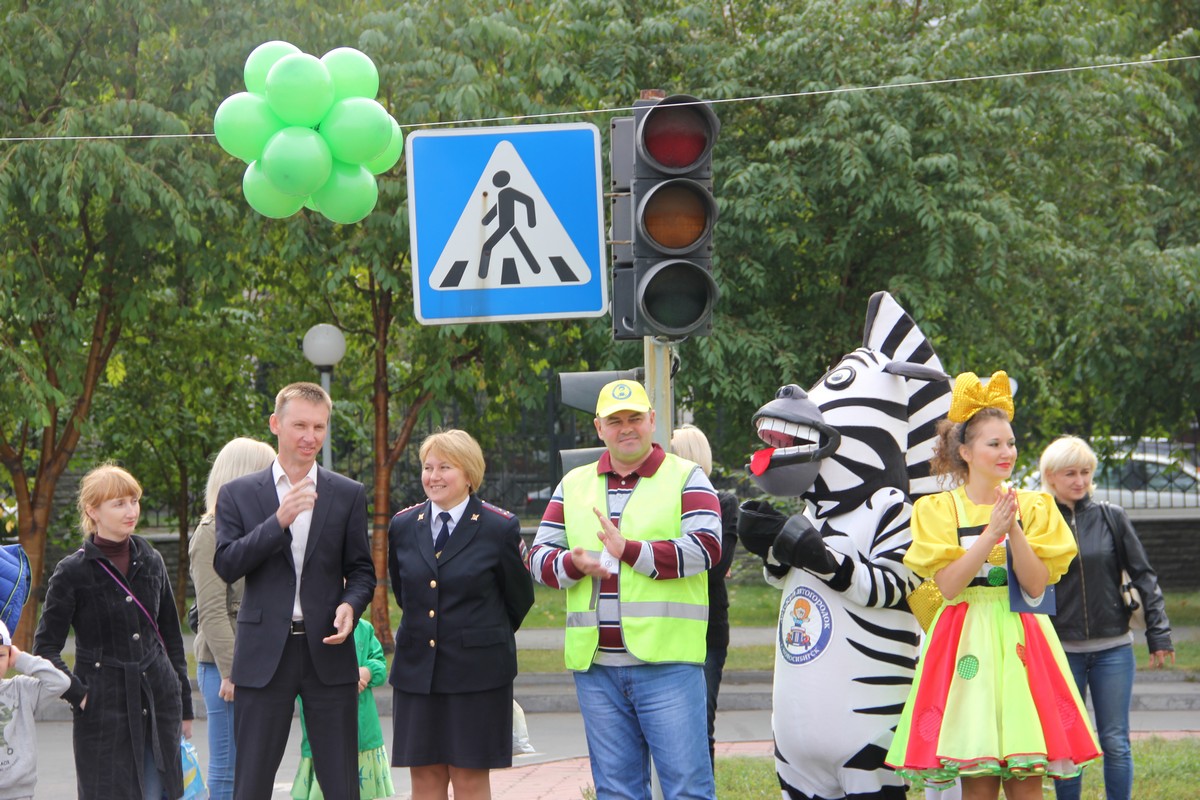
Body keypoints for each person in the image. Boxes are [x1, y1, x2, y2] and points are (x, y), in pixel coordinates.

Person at [884, 372, 1100, 800]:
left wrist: (1013, 527)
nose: (1007, 452)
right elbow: (946, 586)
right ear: (964, 451)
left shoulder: (1035, 507)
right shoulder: (938, 509)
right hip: (965, 641)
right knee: (977, 783)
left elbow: (1036, 585)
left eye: (1011, 443)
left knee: (1027, 781)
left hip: (1023, 638)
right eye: (994, 444)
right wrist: (989, 534)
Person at [528, 379, 722, 800]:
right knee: (616, 792)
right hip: (597, 669)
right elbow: (537, 558)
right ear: (599, 428)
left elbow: (707, 548)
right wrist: (570, 565)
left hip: (668, 666)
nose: (626, 428)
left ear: (653, 421)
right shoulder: (573, 484)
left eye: (635, 418)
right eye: (615, 421)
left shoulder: (687, 477)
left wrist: (630, 551)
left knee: (687, 789)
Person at [214, 382, 376, 800]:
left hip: (328, 648)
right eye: (300, 425)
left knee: (341, 782)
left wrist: (350, 606)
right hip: (263, 652)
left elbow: (362, 572)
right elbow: (227, 564)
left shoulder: (346, 493)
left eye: (319, 427)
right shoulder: (239, 494)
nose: (310, 436)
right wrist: (277, 522)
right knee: (251, 782)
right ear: (275, 424)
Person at [388, 429, 534, 800]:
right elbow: (406, 593)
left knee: (469, 779)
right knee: (425, 778)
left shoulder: (498, 527)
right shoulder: (403, 526)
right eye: (427, 467)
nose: (433, 476)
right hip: (419, 674)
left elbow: (518, 599)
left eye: (445, 467)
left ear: (469, 474)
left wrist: (478, 635)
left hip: (478, 675)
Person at [34, 463, 194, 800]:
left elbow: (170, 638)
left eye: (133, 501)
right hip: (104, 711)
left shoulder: (150, 559)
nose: (131, 510)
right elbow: (46, 647)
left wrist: (183, 705)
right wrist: (81, 694)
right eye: (119, 503)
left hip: (158, 700)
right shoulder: (72, 571)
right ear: (93, 510)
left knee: (158, 792)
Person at [1038, 435, 1174, 800]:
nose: (1080, 481)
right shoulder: (1038, 521)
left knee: (1115, 741)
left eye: (1085, 472)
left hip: (1113, 648)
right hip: (1061, 650)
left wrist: (1159, 634)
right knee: (1066, 746)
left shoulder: (1110, 517)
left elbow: (1144, 575)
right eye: (1070, 473)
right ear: (1050, 476)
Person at [189, 436, 277, 800]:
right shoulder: (210, 533)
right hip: (227, 669)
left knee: (254, 773)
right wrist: (232, 670)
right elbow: (211, 610)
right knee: (227, 775)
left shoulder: (262, 530)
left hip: (259, 664)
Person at [669, 423, 738, 772]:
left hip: (707, 628)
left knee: (699, 726)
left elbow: (715, 565)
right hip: (665, 627)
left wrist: (662, 557)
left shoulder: (722, 503)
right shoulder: (659, 501)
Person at [292, 616, 394, 800]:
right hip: (322, 736)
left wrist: (367, 671)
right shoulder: (310, 630)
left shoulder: (364, 628)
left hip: (364, 737)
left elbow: (380, 663)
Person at [0, 620, 69, 799]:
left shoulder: (21, 689)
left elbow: (60, 683)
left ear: (9, 657)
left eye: (0, 655)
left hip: (19, 793)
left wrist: (21, 659)